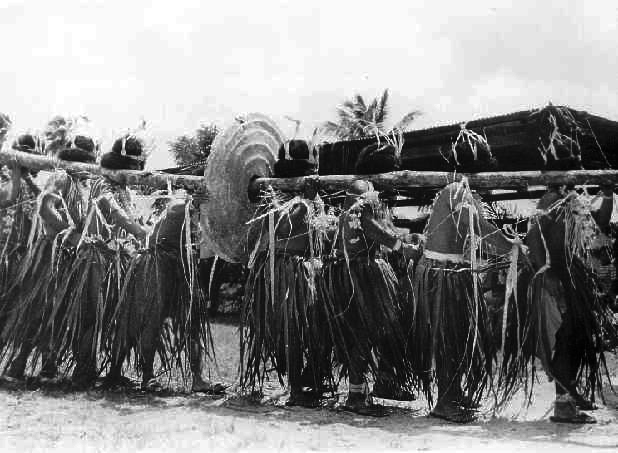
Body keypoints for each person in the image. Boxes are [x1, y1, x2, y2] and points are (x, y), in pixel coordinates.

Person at [410, 180, 518, 423]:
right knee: (449, 338)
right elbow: (476, 226)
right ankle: (445, 403)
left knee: (458, 336)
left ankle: (455, 393)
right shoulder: (456, 191)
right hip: (442, 273)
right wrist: (511, 247)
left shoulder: (461, 192)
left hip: (453, 273)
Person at [54, 133, 148, 389]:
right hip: (96, 258)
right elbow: (114, 212)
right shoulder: (101, 184)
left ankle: (114, 372)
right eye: (134, 167)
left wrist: (143, 231)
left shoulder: (126, 190)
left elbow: (133, 219)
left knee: (123, 318)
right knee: (91, 316)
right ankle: (84, 371)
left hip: (121, 260)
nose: (136, 172)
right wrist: (138, 231)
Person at [242, 140, 329, 407]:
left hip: (306, 269)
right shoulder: (274, 195)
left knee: (314, 327)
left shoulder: (311, 197)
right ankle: (294, 388)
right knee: (291, 328)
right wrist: (307, 201)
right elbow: (283, 227)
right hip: (283, 270)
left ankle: (310, 378)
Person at [0, 134, 94, 382]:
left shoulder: (77, 184)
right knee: (40, 309)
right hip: (50, 254)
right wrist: (68, 231)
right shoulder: (62, 176)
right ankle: (19, 365)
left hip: (65, 255)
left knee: (57, 310)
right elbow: (44, 207)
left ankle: (46, 366)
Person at [321, 176, 417, 416]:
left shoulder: (345, 215)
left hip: (348, 276)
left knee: (362, 333)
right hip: (362, 278)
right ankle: (355, 396)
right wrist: (404, 248)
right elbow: (380, 235)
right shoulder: (362, 213)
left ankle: (362, 389)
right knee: (366, 332)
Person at [525, 184, 617, 423]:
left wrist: (608, 196)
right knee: (569, 337)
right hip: (564, 278)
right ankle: (564, 404)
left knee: (579, 338)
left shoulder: (574, 199)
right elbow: (533, 235)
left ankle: (571, 394)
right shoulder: (551, 199)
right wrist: (546, 273)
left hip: (580, 279)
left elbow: (598, 227)